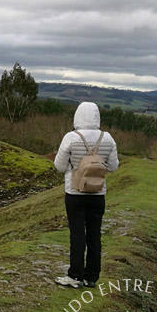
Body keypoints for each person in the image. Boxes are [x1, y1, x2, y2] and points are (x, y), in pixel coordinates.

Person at [53, 102, 119, 288]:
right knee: (94, 234)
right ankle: (92, 277)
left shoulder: (71, 138)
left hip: (74, 192)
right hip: (98, 193)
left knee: (77, 234)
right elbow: (113, 167)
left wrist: (74, 167)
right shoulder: (108, 139)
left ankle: (75, 275)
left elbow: (59, 166)